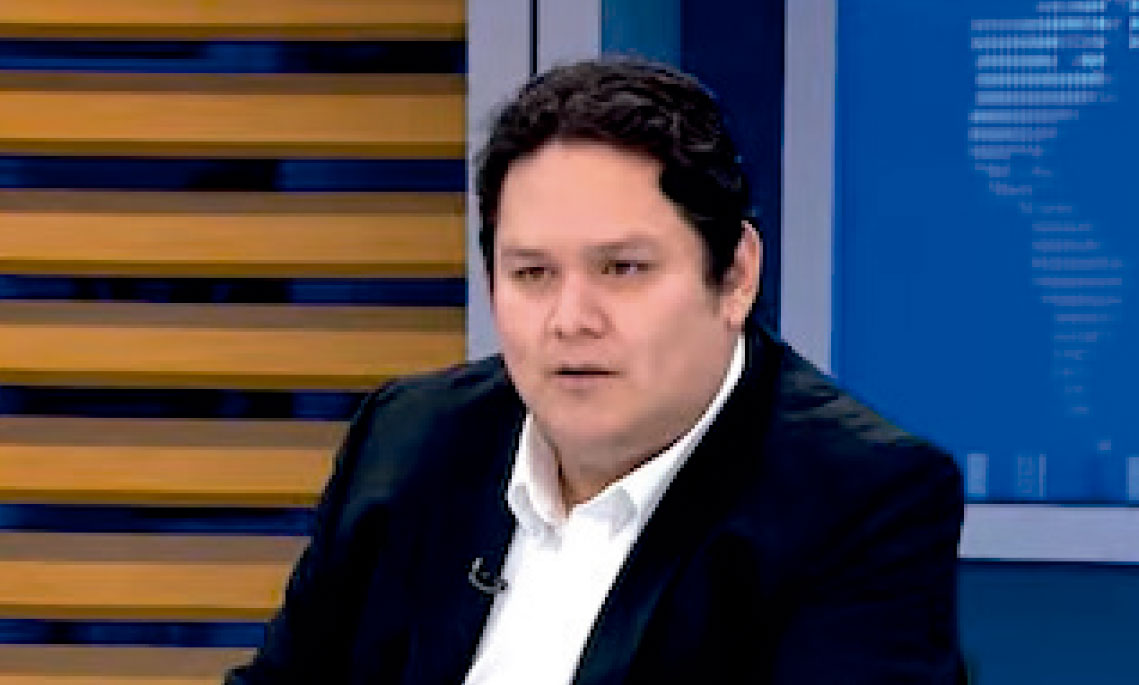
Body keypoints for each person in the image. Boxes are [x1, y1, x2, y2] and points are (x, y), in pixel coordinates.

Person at [226, 58, 964, 684]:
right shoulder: (412, 438)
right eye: (533, 273)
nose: (571, 318)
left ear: (735, 275)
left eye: (622, 269)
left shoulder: (858, 497)